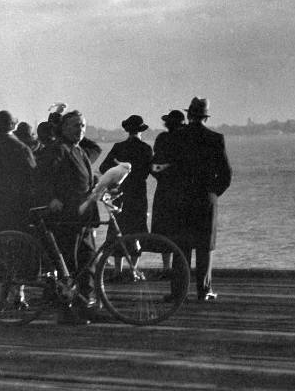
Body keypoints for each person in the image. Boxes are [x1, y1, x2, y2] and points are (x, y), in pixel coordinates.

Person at [159, 98, 232, 302]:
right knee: (204, 247)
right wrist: (213, 193)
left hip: (181, 199)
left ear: (189, 115)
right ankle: (204, 290)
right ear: (206, 117)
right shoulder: (216, 138)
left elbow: (165, 169)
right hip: (205, 200)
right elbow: (226, 174)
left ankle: (178, 292)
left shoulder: (175, 137)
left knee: (180, 247)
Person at [37, 110, 99, 325]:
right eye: (75, 126)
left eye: (82, 125)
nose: (80, 129)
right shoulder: (57, 149)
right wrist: (51, 197)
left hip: (82, 216)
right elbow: (42, 177)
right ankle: (66, 311)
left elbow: (84, 179)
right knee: (69, 265)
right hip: (65, 216)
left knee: (88, 261)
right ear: (63, 128)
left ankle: (86, 305)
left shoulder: (79, 150)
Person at [99, 115, 154, 277]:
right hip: (138, 193)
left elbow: (103, 168)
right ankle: (134, 270)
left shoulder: (118, 147)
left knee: (118, 231)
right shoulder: (146, 148)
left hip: (120, 193)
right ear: (140, 131)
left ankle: (118, 270)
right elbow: (149, 171)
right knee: (137, 232)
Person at [150, 109, 185, 273]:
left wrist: (161, 177)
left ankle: (166, 267)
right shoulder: (186, 139)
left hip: (164, 190)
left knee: (163, 229)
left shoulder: (162, 139)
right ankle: (180, 267)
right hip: (182, 191)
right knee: (180, 229)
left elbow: (153, 165)